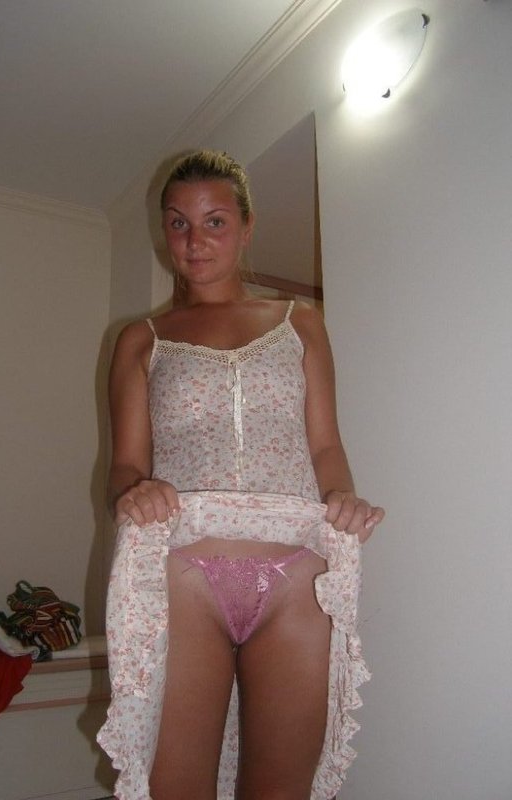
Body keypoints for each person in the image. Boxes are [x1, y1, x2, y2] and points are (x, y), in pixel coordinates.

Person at [98, 149, 384, 800]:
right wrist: (134, 492)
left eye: (215, 221)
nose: (194, 240)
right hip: (183, 578)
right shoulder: (142, 339)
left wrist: (342, 498)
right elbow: (124, 466)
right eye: (178, 223)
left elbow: (325, 447)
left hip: (297, 583)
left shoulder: (300, 323)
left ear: (247, 227)